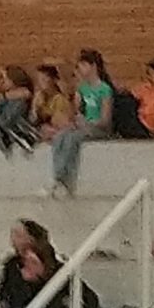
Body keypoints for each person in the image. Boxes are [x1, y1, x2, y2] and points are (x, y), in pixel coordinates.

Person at [50, 49, 114, 197]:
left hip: (98, 128)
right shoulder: (82, 88)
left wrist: (89, 123)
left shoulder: (104, 89)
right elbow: (75, 112)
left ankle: (66, 179)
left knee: (72, 139)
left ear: (93, 66)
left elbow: (105, 120)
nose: (80, 70)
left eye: (83, 66)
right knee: (60, 136)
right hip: (83, 125)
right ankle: (57, 176)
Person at [30, 64, 74, 142]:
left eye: (44, 78)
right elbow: (33, 119)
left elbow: (60, 120)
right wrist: (35, 106)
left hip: (58, 131)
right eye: (39, 79)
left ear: (53, 80)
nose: (40, 82)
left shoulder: (59, 98)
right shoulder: (40, 97)